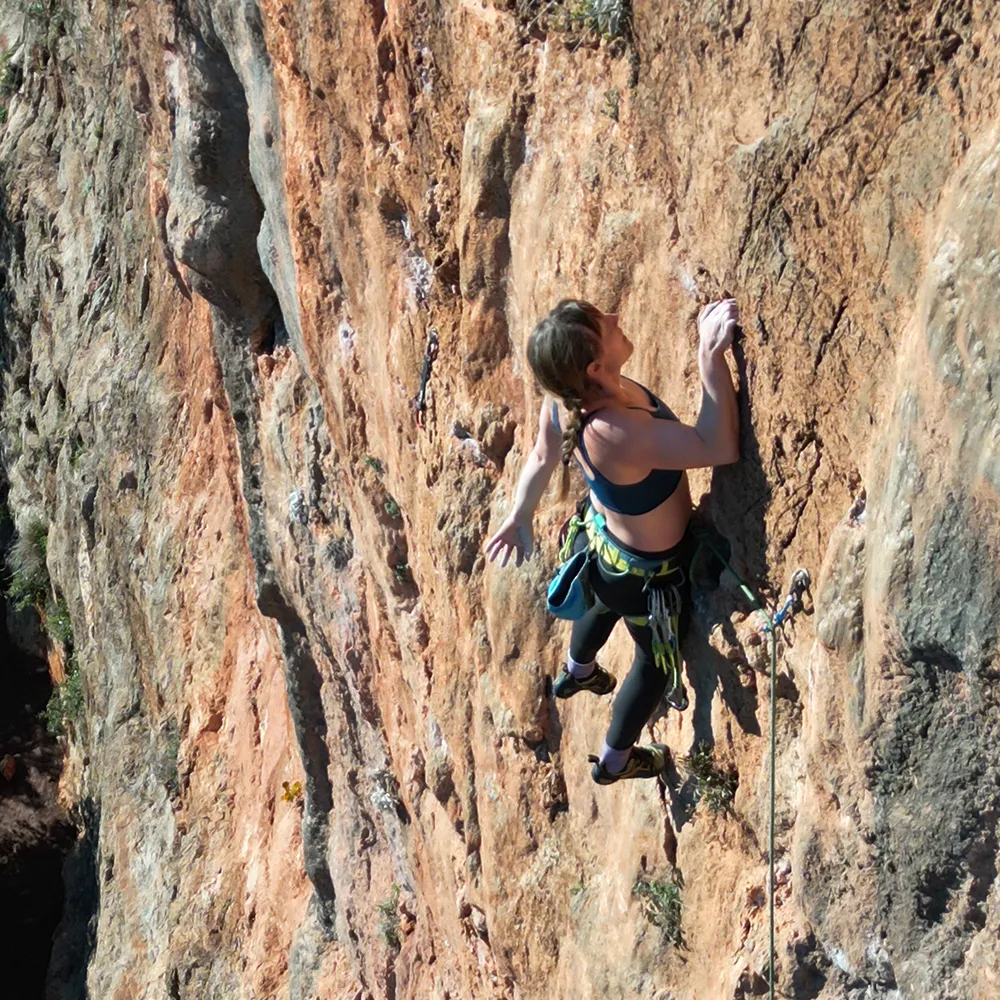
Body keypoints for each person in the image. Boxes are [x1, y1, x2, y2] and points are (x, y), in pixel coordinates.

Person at [484, 298, 740, 784]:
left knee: (601, 602)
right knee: (653, 665)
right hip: (647, 577)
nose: (619, 319)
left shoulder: (566, 399)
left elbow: (541, 455)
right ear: (595, 367)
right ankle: (614, 762)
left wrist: (520, 515)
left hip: (603, 552)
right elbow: (718, 446)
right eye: (606, 325)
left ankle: (579, 670)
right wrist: (709, 357)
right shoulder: (611, 431)